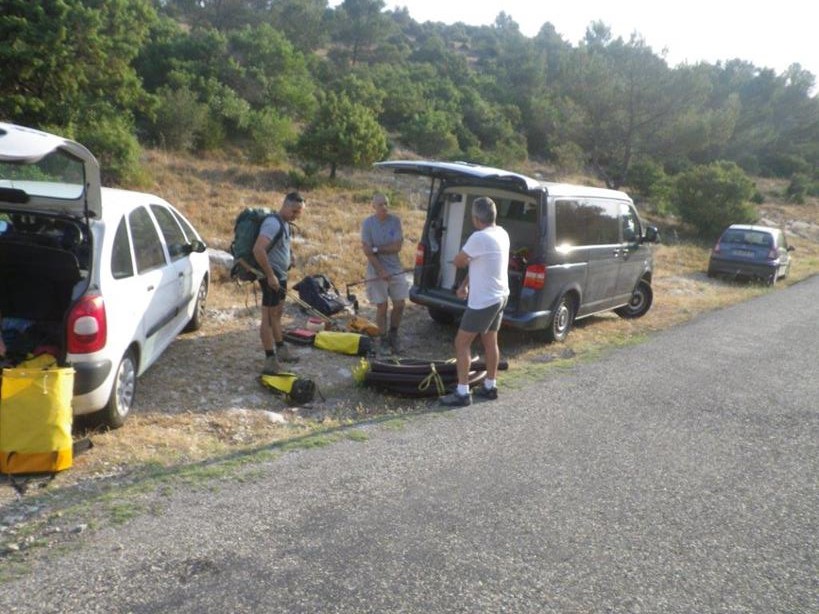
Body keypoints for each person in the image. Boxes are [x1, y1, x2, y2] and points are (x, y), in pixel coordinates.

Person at [439, 197, 510, 407]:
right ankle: (490, 386)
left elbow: (461, 260)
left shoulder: (478, 237)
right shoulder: (502, 233)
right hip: (500, 297)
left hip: (484, 301)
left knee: (461, 343)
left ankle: (462, 393)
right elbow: (482, 262)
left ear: (476, 218)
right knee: (490, 342)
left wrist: (460, 260)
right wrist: (465, 284)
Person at [254, 192, 306, 375]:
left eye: (298, 212)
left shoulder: (284, 224)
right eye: (294, 211)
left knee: (277, 314)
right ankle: (270, 359)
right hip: (271, 278)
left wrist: (290, 256)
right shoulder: (272, 223)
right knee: (268, 319)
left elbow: (281, 244)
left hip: (280, 276)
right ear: (284, 205)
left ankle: (281, 350)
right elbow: (258, 250)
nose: (296, 215)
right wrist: (270, 275)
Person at [361, 192, 410, 354]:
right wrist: (381, 270)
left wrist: (376, 248)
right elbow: (367, 251)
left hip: (395, 267)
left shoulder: (395, 221)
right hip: (375, 269)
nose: (384, 207)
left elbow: (397, 246)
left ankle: (393, 334)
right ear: (373, 206)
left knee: (400, 303)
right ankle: (383, 339)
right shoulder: (368, 224)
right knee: (382, 306)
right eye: (380, 204)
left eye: (386, 204)